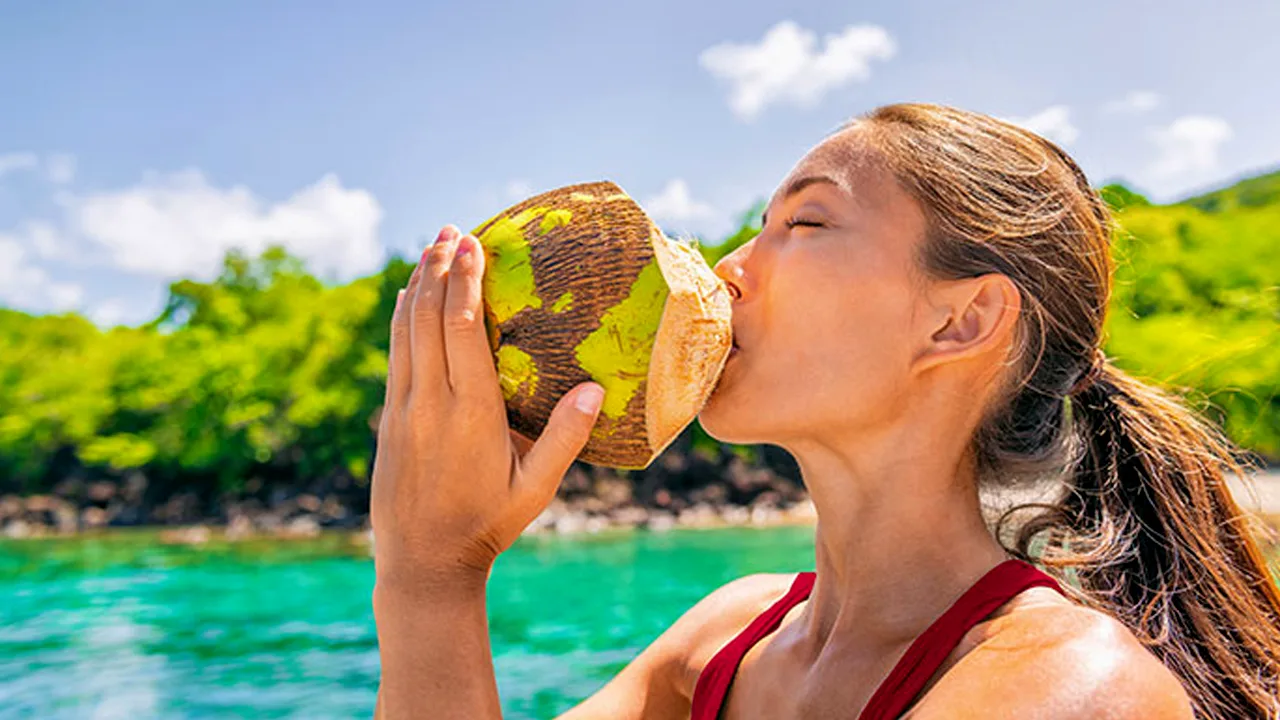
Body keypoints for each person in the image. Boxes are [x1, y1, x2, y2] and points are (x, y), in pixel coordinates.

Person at [368, 103, 1280, 719]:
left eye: (803, 224)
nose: (728, 267)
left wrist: (432, 582)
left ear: (961, 320)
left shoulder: (1072, 690)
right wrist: (430, 565)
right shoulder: (722, 639)